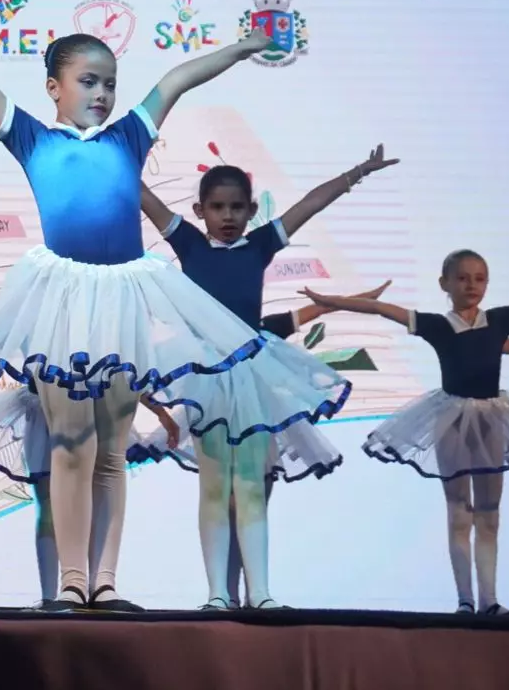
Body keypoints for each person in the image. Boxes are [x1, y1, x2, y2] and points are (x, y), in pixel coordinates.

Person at [0, 0, 349, 613]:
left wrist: (245, 48)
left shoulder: (130, 136)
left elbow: (179, 77)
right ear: (53, 87)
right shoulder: (30, 137)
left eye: (110, 84)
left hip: (121, 297)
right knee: (69, 445)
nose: (103, 94)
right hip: (62, 300)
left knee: (111, 450)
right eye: (89, 82)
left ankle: (106, 582)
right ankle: (71, 582)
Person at [132, 152, 396, 609]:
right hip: (207, 379)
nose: (228, 216)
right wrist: (108, 155)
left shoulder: (259, 247)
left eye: (237, 207)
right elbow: (145, 198)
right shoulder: (191, 245)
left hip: (252, 378)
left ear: (253, 211)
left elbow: (309, 205)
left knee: (251, 485)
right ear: (200, 211)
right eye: (217, 207)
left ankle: (261, 593)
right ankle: (217, 594)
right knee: (215, 487)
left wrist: (356, 173)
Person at [302, 251, 509, 614]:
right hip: (451, 418)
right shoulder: (436, 325)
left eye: (480, 278)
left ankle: (490, 601)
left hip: (493, 417)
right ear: (444, 284)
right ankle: (465, 600)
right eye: (462, 278)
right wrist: (333, 301)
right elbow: (383, 311)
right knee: (459, 509)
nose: (471, 285)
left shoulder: (500, 320)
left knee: (490, 511)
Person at [128, 281, 394, 608]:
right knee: (221, 499)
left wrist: (355, 299)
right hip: (212, 415)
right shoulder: (198, 346)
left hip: (254, 424)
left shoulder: (261, 333)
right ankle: (223, 593)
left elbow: (316, 310)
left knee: (250, 501)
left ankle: (255, 593)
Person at [0, 371, 180, 609]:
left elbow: (120, 363)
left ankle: (98, 585)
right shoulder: (39, 316)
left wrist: (160, 411)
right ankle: (53, 596)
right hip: (43, 410)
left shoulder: (99, 320)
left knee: (92, 494)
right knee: (49, 505)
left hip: (92, 408)